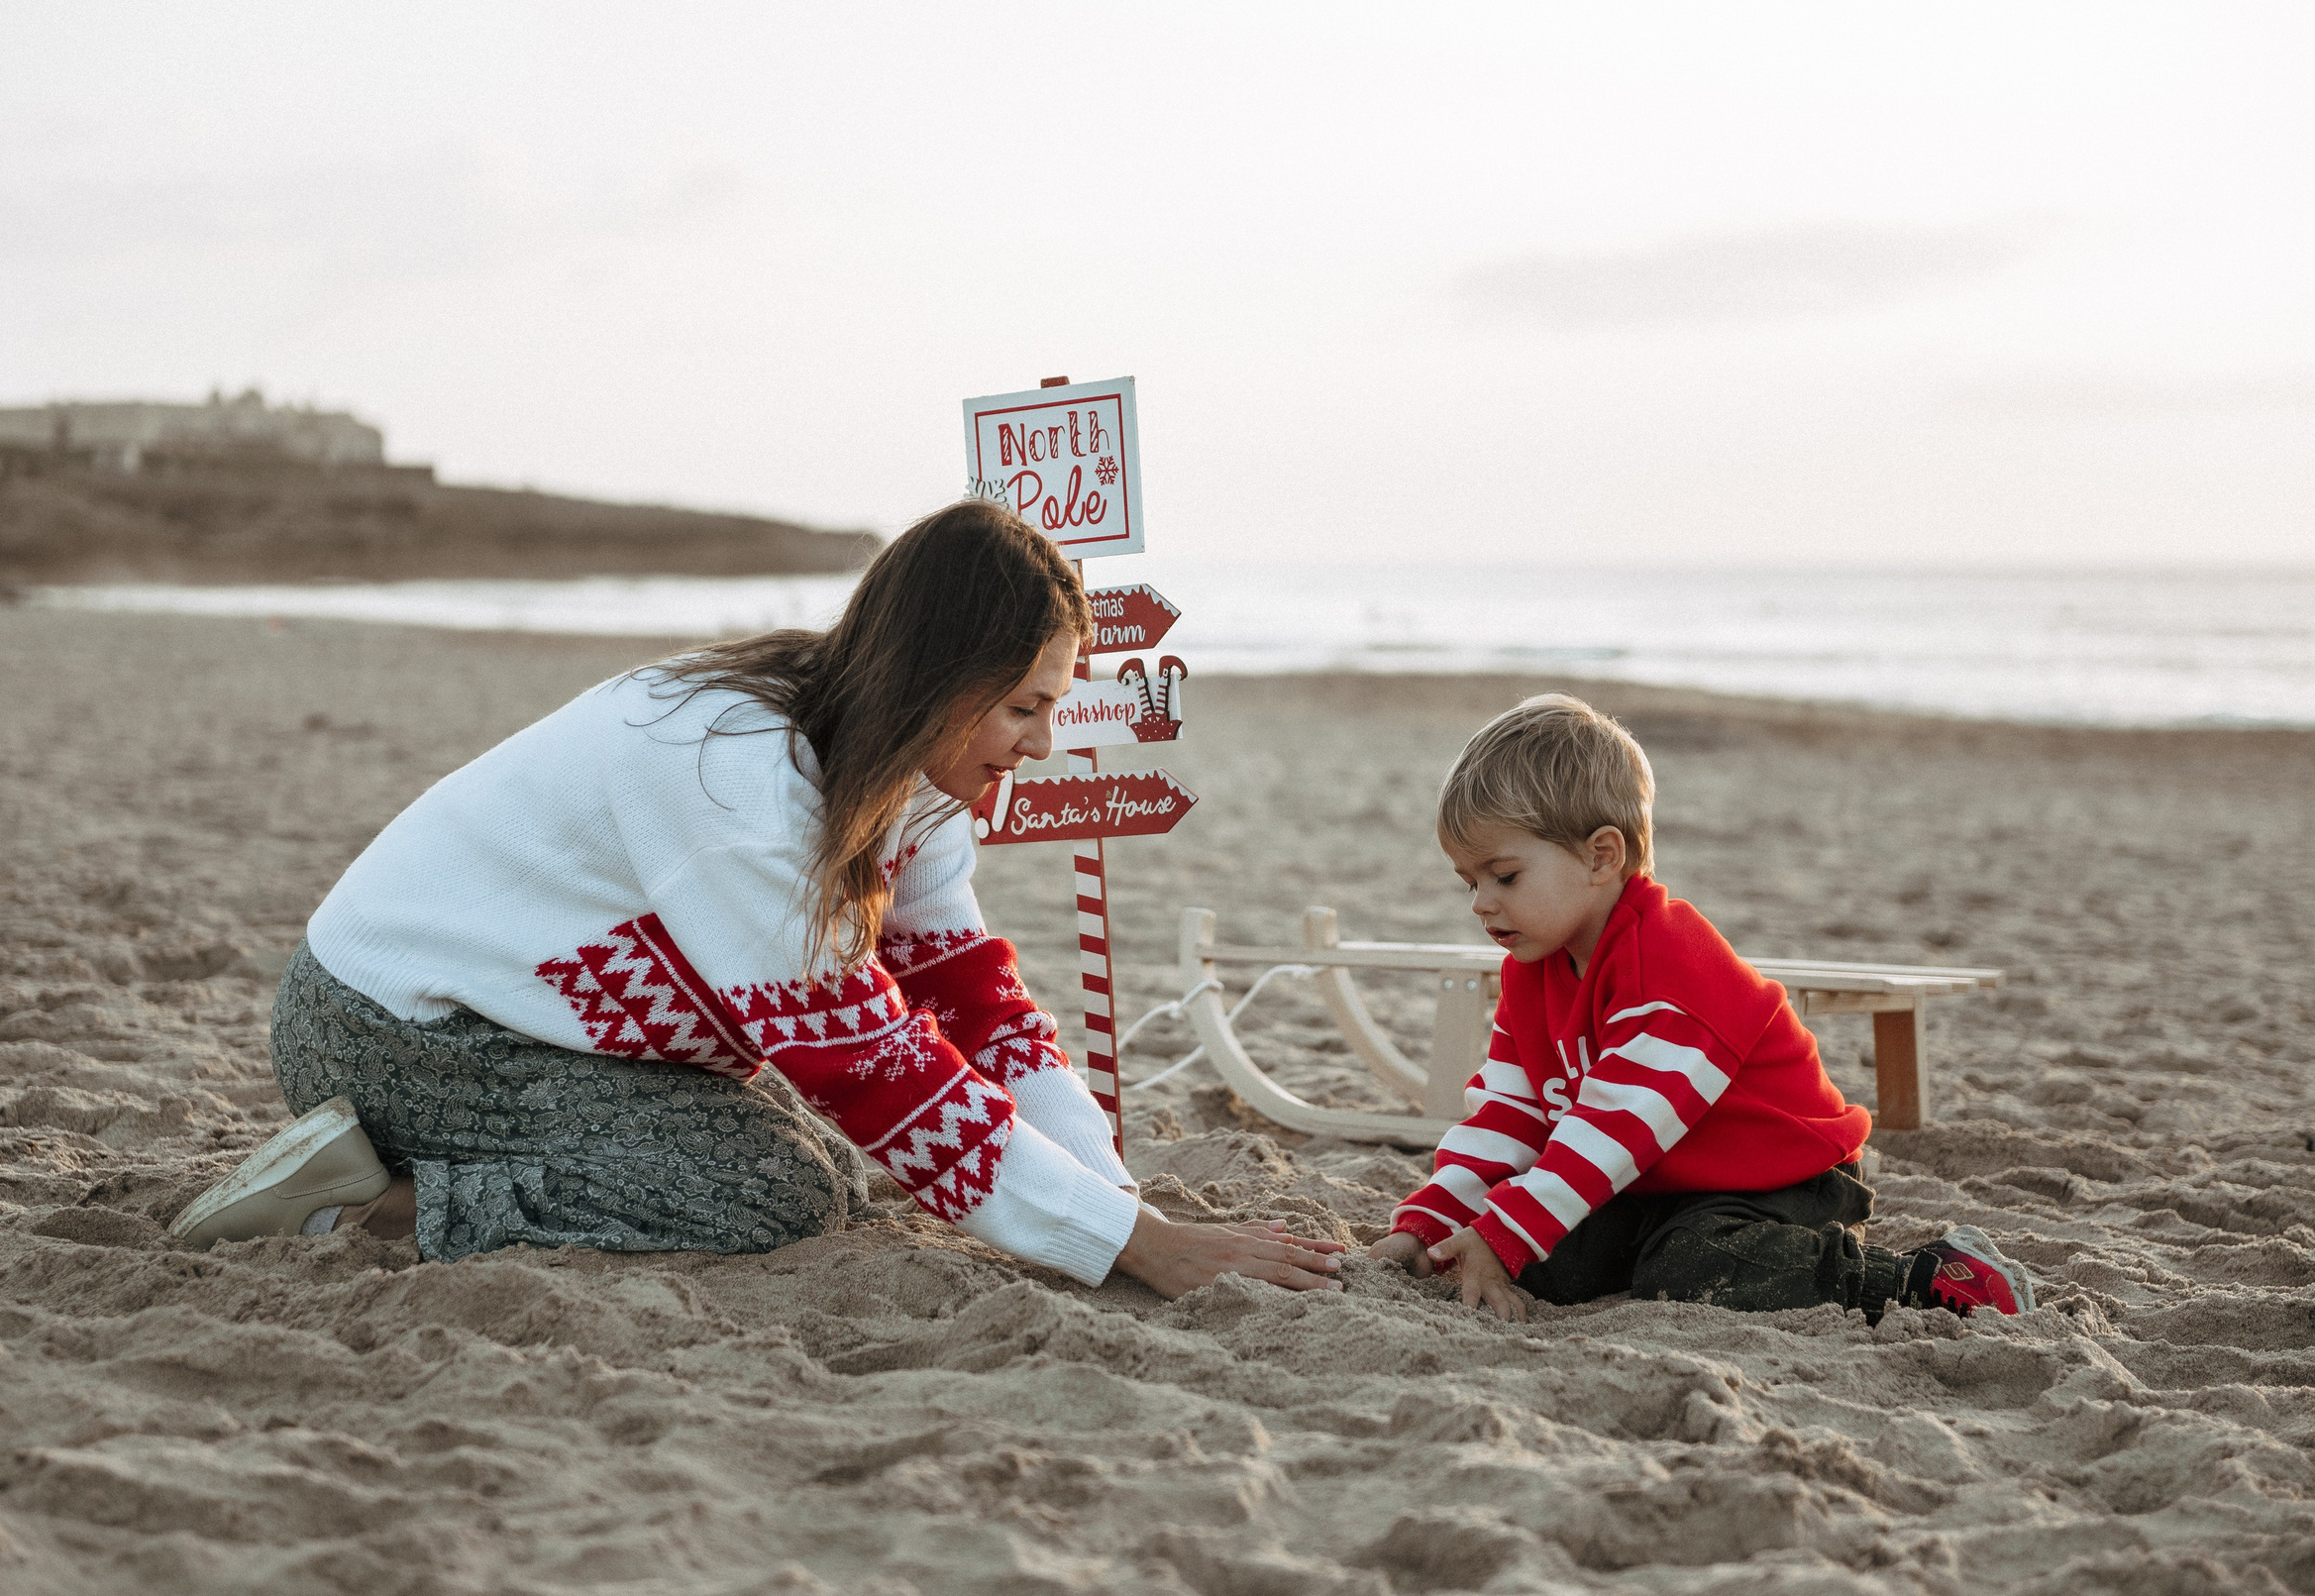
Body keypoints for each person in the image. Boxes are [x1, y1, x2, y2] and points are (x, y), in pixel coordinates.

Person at [172, 500, 1342, 1299]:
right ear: (945, 678)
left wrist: (1117, 1197)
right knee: (768, 1183)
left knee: (816, 1173)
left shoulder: (914, 781)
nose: (1039, 743)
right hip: (392, 1024)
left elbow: (975, 1007)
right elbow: (877, 1068)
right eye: (1025, 706)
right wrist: (1139, 1250)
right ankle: (363, 1204)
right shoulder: (731, 769)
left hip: (532, 1026)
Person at [1367, 693, 2035, 1323]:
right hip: (1659, 1182)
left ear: (1601, 856)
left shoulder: (1669, 961)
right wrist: (1424, 1227)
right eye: (1470, 881)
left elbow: (1617, 1124)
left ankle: (1929, 1275)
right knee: (1546, 1263)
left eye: (1504, 876)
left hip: (1782, 1180)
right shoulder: (1531, 971)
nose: (1481, 901)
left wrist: (1502, 1230)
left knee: (1690, 1268)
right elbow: (1507, 1119)